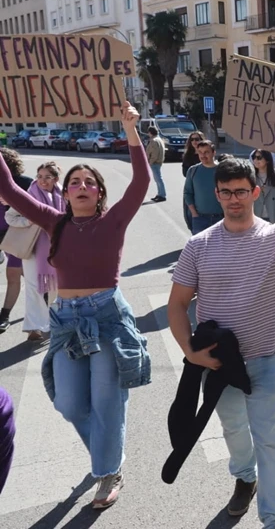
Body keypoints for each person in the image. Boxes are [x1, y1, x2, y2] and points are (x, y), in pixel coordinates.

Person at [0, 103, 151, 508]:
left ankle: (107, 471)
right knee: (68, 403)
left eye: (89, 182)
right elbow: (9, 190)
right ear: (65, 193)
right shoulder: (55, 222)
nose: (82, 185)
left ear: (99, 193)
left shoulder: (113, 221)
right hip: (66, 321)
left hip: (107, 318)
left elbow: (141, 181)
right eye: (74, 182)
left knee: (106, 402)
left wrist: (130, 131)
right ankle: (108, 454)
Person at [169, 152, 275, 528]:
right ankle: (245, 478)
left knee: (271, 441)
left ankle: (274, 519)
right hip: (221, 364)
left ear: (255, 192)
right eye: (226, 192)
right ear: (217, 195)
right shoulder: (199, 245)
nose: (234, 199)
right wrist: (190, 352)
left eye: (241, 191)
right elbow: (177, 304)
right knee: (234, 430)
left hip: (269, 358)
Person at [6, 162, 66, 341]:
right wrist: (29, 222)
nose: (42, 181)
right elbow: (10, 217)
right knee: (34, 287)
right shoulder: (29, 196)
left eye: (47, 177)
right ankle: (34, 327)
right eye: (39, 176)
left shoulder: (64, 196)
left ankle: (55, 323)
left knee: (57, 288)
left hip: (58, 249)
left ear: (56, 179)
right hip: (33, 248)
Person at [0, 148, 32, 331]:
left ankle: (4, 315)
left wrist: (11, 201)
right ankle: (46, 297)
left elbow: (38, 207)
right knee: (25, 274)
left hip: (15, 234)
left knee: (14, 274)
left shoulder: (23, 182)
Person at [184, 140, 223, 234]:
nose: (203, 155)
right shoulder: (193, 170)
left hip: (221, 218)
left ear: (214, 153)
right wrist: (194, 213)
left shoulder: (223, 170)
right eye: (200, 152)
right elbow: (188, 193)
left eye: (206, 152)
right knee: (199, 244)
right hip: (200, 219)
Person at [147, 126, 167, 202]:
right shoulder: (159, 139)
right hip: (158, 161)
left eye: (148, 132)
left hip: (155, 162)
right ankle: (159, 194)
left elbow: (154, 153)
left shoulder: (154, 141)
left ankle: (162, 195)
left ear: (150, 133)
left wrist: (150, 162)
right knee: (157, 179)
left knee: (158, 179)